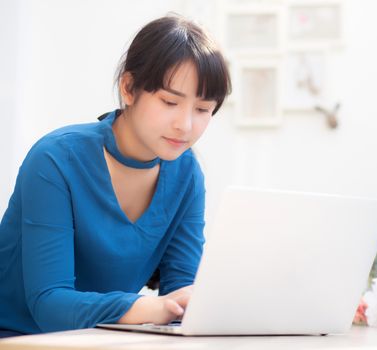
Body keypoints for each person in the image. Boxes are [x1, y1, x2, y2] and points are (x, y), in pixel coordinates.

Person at [0, 13, 231, 336]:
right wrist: (153, 307)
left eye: (203, 109)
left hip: (102, 340)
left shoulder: (187, 174)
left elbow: (184, 293)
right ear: (129, 87)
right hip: (20, 339)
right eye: (169, 102)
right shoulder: (56, 159)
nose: (186, 125)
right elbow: (49, 304)